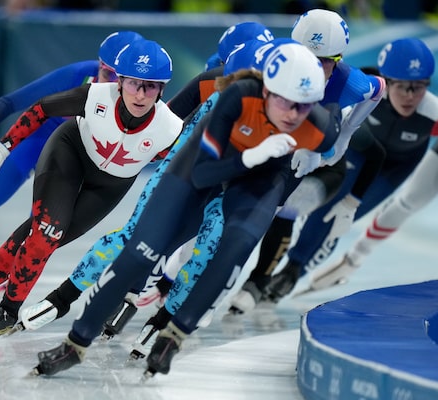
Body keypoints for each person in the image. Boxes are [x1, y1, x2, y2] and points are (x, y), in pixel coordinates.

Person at [31, 41, 338, 377]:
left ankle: (173, 336)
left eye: (303, 106)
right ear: (265, 90)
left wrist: (316, 168)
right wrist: (253, 155)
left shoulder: (320, 126)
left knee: (231, 250)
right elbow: (204, 174)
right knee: (141, 253)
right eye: (285, 102)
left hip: (258, 181)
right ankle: (75, 343)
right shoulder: (237, 98)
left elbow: (339, 156)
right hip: (204, 168)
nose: (293, 115)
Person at [0, 38, 184, 347]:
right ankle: (8, 310)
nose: (140, 94)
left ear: (162, 90)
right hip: (69, 154)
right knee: (46, 234)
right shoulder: (94, 96)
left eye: (150, 87)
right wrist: (1, 149)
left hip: (109, 186)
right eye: (133, 84)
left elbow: (181, 177)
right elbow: (40, 108)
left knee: (31, 243)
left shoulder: (170, 129)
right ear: (120, 82)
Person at [8, 35, 280, 339]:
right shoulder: (211, 87)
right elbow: (170, 126)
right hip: (188, 173)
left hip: (230, 188)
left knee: (204, 253)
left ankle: (161, 317)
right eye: (235, 88)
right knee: (139, 239)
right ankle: (65, 298)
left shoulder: (291, 115)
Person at [226, 8, 386, 314]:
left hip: (322, 166)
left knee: (285, 208)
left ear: (338, 60)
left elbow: (378, 88)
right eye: (307, 56)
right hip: (278, 151)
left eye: (325, 61)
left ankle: (258, 282)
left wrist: (345, 136)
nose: (315, 67)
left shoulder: (350, 84)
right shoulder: (268, 65)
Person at [273, 39, 438, 297]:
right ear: (387, 81)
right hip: (360, 153)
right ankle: (289, 267)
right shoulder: (367, 89)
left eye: (419, 87)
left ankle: (292, 273)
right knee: (328, 206)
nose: (410, 96)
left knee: (342, 217)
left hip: (394, 168)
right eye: (403, 86)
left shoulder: (432, 111)